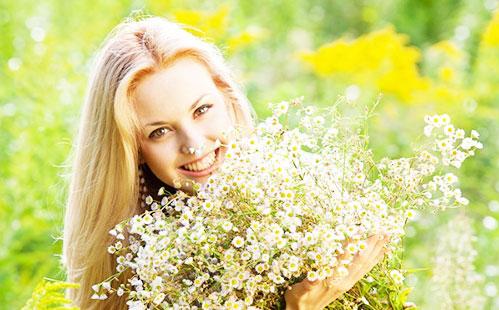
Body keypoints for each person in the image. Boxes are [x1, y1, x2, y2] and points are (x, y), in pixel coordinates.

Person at [63, 16, 388, 309]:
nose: (193, 145)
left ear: (226, 97)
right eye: (160, 131)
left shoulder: (307, 207)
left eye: (202, 110)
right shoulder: (139, 274)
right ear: (132, 151)